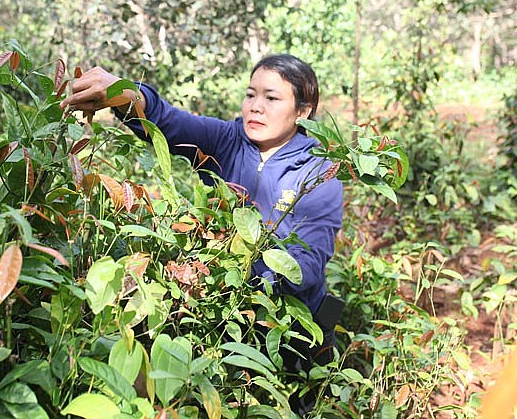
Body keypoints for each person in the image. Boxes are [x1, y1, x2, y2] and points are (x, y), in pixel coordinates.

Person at [61, 54, 344, 412]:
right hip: (226, 324)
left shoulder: (319, 172)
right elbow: (167, 121)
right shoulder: (227, 139)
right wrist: (122, 94)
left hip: (291, 330)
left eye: (271, 98)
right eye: (250, 94)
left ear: (302, 111)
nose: (255, 107)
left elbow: (307, 267)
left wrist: (232, 277)